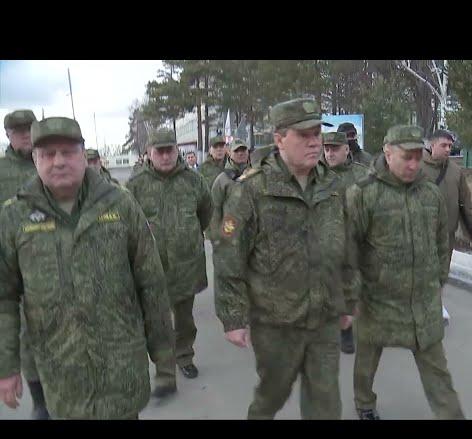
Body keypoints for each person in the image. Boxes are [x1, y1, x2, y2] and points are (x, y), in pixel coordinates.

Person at [0, 117, 174, 419]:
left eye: (67, 152)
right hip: (60, 369)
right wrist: (7, 366)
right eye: (48, 154)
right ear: (35, 160)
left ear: (83, 155)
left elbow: (151, 283)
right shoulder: (14, 216)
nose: (58, 162)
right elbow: (4, 297)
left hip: (122, 366)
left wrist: (163, 353)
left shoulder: (120, 204)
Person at [214, 98, 356, 419]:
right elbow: (228, 254)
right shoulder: (251, 190)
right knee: (271, 396)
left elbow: (348, 249)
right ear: (279, 139)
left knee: (326, 402)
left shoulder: (334, 187)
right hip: (275, 324)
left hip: (323, 318)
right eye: (304, 134)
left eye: (317, 132)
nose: (315, 141)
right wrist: (233, 318)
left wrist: (349, 299)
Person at [347, 124, 465, 420]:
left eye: (417, 156)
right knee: (367, 361)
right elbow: (348, 249)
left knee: (437, 369)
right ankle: (364, 404)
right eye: (406, 157)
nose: (414, 164)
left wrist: (439, 280)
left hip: (422, 301)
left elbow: (441, 240)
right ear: (387, 153)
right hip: (377, 300)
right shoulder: (363, 194)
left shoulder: (430, 194)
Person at [126, 128, 213, 389]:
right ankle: (164, 371)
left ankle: (184, 356)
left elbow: (206, 212)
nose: (165, 156)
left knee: (184, 318)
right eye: (159, 151)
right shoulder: (136, 184)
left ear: (177, 151)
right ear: (149, 154)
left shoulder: (193, 181)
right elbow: (128, 224)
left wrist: (189, 237)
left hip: (186, 264)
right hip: (151, 267)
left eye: (169, 150)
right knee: (156, 319)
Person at [0, 109, 49, 419]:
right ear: (7, 135)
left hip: (58, 255)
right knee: (27, 335)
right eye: (17, 130)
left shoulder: (47, 159)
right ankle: (40, 401)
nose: (23, 134)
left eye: (28, 129)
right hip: (15, 261)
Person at [424, 129, 472, 323]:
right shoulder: (416, 167)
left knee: (441, 270)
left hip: (447, 231)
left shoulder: (456, 171)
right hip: (420, 231)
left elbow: (465, 200)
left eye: (450, 146)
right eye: (444, 145)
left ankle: (436, 304)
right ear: (432, 145)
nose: (448, 149)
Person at [322, 131, 369, 354]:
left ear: (347, 149)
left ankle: (347, 331)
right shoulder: (315, 175)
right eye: (327, 149)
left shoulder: (361, 175)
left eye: (335, 149)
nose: (330, 153)